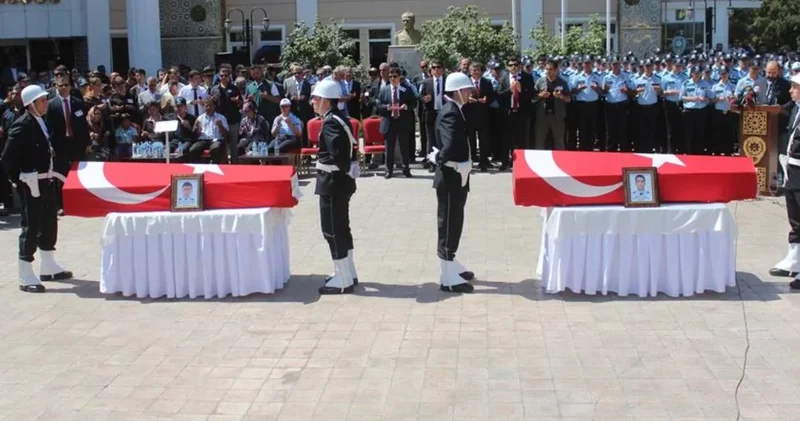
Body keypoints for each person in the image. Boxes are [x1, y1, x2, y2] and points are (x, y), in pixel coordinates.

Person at [1, 85, 73, 293]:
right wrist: (19, 179)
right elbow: (7, 158)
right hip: (31, 184)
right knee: (31, 226)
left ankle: (48, 265)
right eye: (41, 101)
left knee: (49, 222)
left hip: (46, 181)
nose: (45, 104)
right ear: (31, 104)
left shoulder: (41, 121)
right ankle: (25, 274)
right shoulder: (22, 125)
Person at [427, 72, 478, 293]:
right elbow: (448, 145)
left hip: (458, 176)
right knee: (449, 221)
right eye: (466, 90)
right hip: (450, 177)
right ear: (456, 91)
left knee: (455, 218)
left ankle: (451, 262)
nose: (469, 93)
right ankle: (447, 273)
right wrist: (439, 158)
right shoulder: (450, 113)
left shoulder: (455, 110)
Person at [312, 79, 360, 295]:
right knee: (342, 227)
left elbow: (338, 153)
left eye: (316, 98)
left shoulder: (331, 122)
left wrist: (346, 166)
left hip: (332, 182)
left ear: (324, 100)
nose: (313, 102)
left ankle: (342, 278)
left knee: (331, 229)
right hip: (341, 182)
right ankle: (347, 270)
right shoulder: (340, 118)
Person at [771, 73, 800, 289]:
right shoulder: (796, 109)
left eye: (795, 87)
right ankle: (795, 260)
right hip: (793, 167)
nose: (791, 91)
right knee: (795, 217)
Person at [377, 67, 417, 179]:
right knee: (389, 147)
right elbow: (378, 104)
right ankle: (389, 170)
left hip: (403, 121)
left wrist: (406, 106)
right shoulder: (384, 90)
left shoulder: (406, 89)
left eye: (395, 76)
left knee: (404, 146)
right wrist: (386, 107)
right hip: (389, 122)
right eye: (390, 77)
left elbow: (414, 103)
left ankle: (406, 169)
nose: (392, 79)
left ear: (399, 77)